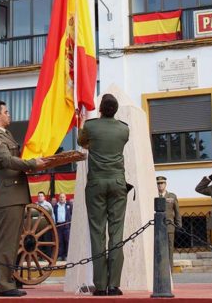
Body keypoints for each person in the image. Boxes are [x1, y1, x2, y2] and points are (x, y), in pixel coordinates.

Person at [0, 99, 43, 297]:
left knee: (12, 242)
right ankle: (3, 284)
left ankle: (9, 280)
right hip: (8, 195)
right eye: (6, 112)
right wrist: (31, 164)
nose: (9, 114)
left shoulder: (6, 135)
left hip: (15, 194)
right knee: (6, 243)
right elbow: (7, 160)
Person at [79, 93, 129, 297]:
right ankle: (114, 285)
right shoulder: (124, 128)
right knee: (116, 233)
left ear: (100, 108)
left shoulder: (90, 126)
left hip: (96, 183)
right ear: (116, 110)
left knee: (97, 233)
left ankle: (100, 285)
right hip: (118, 182)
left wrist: (83, 123)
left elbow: (82, 142)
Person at [156, 176, 181, 270]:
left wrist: (179, 225)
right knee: (159, 249)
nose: (160, 185)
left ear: (165, 184)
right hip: (157, 227)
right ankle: (160, 269)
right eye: (158, 183)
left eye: (162, 183)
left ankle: (170, 270)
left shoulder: (172, 196)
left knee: (170, 249)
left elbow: (177, 211)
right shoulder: (153, 195)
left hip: (169, 226)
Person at [53, 193, 72, 261]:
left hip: (66, 225)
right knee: (60, 241)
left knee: (67, 241)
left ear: (65, 198)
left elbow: (72, 214)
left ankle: (67, 255)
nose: (61, 198)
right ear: (58, 198)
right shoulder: (55, 206)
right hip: (58, 225)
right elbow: (53, 215)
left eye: (63, 197)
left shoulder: (69, 205)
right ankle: (60, 256)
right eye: (60, 197)